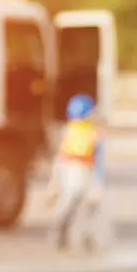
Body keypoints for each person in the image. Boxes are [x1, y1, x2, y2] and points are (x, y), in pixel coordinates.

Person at [45, 94, 106, 251]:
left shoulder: (75, 131)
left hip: (81, 170)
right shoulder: (83, 132)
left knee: (86, 205)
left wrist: (54, 182)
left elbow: (60, 159)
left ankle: (80, 235)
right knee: (75, 203)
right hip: (78, 170)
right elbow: (97, 157)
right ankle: (64, 233)